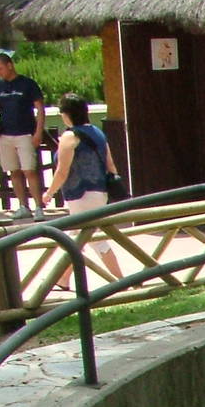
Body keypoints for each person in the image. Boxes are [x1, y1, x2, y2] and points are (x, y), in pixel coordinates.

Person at [42, 94, 122, 290]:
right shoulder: (97, 132)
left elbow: (62, 171)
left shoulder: (70, 136)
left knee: (94, 240)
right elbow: (110, 164)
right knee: (76, 238)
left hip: (81, 193)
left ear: (67, 114)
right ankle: (63, 279)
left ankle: (122, 281)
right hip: (99, 190)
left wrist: (49, 193)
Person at [0, 48, 47, 221]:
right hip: (5, 134)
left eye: (1, 69)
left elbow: (40, 108)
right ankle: (23, 205)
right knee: (14, 171)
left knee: (29, 170)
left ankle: (39, 207)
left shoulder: (27, 84)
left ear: (9, 66)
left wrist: (38, 132)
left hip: (25, 132)